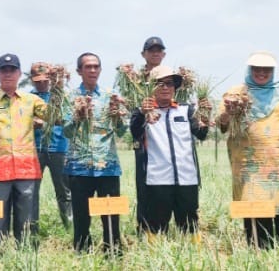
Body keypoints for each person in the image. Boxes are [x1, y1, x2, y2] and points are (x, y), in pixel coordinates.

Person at [216, 51, 279, 249]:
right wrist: (229, 112)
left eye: (266, 69)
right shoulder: (236, 94)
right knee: (257, 221)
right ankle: (260, 257)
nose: (261, 73)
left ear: (273, 71)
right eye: (257, 69)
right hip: (251, 169)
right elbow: (222, 126)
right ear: (250, 70)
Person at [130, 65, 209, 241]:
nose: (165, 87)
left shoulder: (186, 110)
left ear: (175, 87)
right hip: (157, 179)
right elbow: (135, 132)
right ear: (151, 87)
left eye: (169, 83)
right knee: (156, 225)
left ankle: (194, 257)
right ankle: (154, 258)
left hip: (186, 178)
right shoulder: (144, 113)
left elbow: (202, 134)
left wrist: (205, 114)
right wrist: (143, 113)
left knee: (189, 223)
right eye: (160, 83)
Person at [0, 54, 47, 248]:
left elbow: (54, 117)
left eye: (12, 70)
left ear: (19, 73)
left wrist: (57, 87)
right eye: (4, 70)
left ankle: (26, 260)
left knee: (27, 221)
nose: (8, 74)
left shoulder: (31, 100)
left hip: (26, 170)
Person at [63, 53, 126, 253]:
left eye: (96, 66)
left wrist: (117, 117)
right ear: (79, 71)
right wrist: (77, 117)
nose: (92, 70)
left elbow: (122, 132)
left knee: (110, 214)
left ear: (100, 69)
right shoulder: (69, 97)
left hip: (107, 166)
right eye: (87, 67)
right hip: (79, 167)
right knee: (82, 216)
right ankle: (82, 252)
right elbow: (66, 131)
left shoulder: (111, 95)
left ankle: (113, 252)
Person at [29, 62, 72, 230]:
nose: (41, 84)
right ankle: (32, 228)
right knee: (31, 192)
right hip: (35, 150)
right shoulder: (27, 98)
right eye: (37, 81)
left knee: (64, 192)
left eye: (45, 80)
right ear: (32, 80)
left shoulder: (61, 97)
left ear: (51, 78)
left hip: (59, 149)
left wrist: (44, 122)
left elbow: (66, 119)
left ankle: (69, 226)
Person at [134, 36, 166, 233]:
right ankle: (144, 227)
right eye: (151, 50)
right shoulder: (133, 79)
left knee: (165, 186)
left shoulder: (171, 77)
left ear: (163, 54)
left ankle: (163, 226)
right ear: (143, 54)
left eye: (158, 50)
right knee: (144, 186)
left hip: (166, 141)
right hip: (144, 141)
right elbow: (129, 108)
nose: (155, 53)